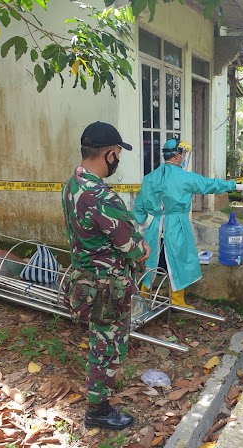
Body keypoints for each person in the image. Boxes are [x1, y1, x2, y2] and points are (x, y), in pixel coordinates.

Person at [62, 121, 150, 430]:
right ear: (109, 154)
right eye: (118, 154)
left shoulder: (72, 184)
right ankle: (98, 410)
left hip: (85, 279)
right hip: (106, 286)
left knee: (99, 342)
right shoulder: (100, 196)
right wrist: (143, 248)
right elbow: (132, 247)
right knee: (107, 347)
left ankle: (99, 402)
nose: (118, 160)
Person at [133, 138, 243, 308]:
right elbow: (209, 184)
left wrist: (142, 228)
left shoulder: (150, 177)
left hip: (155, 226)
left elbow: (139, 207)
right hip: (176, 226)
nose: (184, 158)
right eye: (182, 155)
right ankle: (177, 300)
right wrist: (234, 185)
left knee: (153, 259)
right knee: (179, 260)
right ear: (177, 156)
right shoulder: (184, 177)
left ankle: (143, 295)